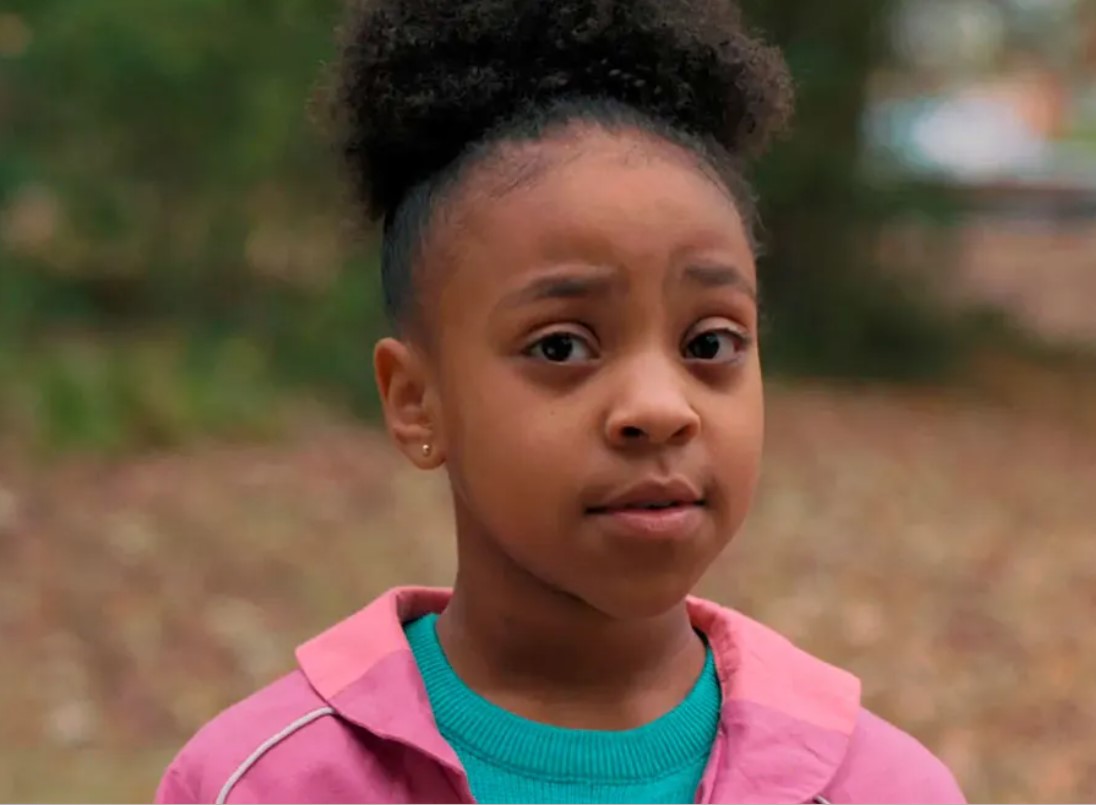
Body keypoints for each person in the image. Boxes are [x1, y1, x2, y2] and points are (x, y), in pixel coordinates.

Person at [156, 0, 967, 802]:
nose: (660, 407)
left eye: (709, 343)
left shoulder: (880, 788)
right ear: (415, 403)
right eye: (560, 347)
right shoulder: (262, 783)